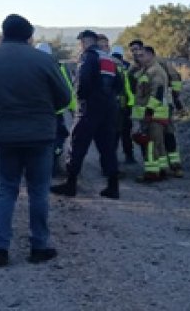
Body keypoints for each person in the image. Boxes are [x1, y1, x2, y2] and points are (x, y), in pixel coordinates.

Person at [0, 14, 72, 267]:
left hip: (3, 134)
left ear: (3, 33)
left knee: (5, 189)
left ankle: (0, 248)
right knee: (38, 190)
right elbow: (64, 97)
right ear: (29, 36)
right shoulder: (44, 60)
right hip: (40, 134)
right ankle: (39, 246)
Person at [51, 30, 121, 199]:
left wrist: (81, 99)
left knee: (77, 145)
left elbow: (82, 81)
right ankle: (113, 187)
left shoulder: (88, 57)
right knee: (107, 148)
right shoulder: (108, 58)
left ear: (84, 42)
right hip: (109, 109)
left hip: (89, 108)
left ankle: (70, 184)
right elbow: (119, 84)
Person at [128, 40, 185, 176]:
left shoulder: (159, 63)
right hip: (147, 107)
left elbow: (174, 78)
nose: (135, 53)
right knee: (152, 140)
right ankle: (158, 167)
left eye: (137, 49)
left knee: (168, 136)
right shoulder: (135, 67)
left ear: (144, 50)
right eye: (133, 51)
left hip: (161, 106)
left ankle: (175, 166)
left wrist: (176, 98)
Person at [130, 45, 172, 182]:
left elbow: (157, 94)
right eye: (137, 56)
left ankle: (152, 173)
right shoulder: (146, 70)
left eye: (142, 55)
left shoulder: (155, 71)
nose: (139, 58)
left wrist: (149, 112)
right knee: (158, 144)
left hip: (153, 115)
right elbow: (134, 79)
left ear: (151, 55)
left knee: (151, 145)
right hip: (154, 114)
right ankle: (162, 170)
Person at [36, 42, 77, 174]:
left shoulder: (27, 67)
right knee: (58, 138)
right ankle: (53, 164)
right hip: (54, 112)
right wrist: (73, 109)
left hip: (34, 113)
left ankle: (35, 166)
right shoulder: (59, 67)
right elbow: (68, 89)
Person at [111, 45, 137, 165]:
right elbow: (132, 85)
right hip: (126, 105)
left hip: (112, 105)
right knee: (126, 132)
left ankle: (112, 157)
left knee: (114, 133)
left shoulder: (108, 64)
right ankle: (129, 156)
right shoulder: (127, 66)